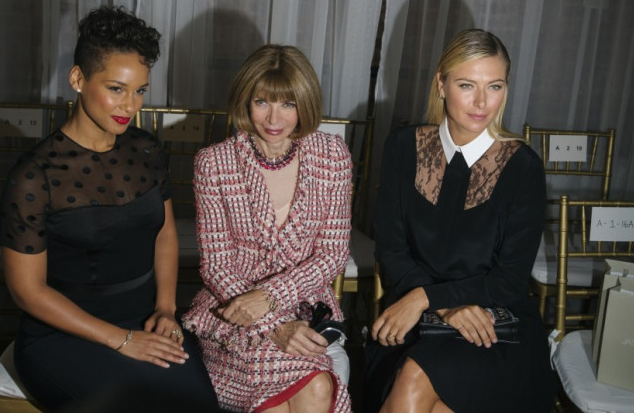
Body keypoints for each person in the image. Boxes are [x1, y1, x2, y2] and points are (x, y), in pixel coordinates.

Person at [0, 5, 218, 411]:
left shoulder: (146, 149)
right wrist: (122, 340)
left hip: (146, 318)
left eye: (139, 90)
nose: (129, 105)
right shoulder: (35, 174)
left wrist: (167, 309)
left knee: (201, 406)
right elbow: (27, 291)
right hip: (63, 336)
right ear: (78, 79)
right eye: (116, 88)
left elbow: (165, 234)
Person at [364, 29, 556, 412]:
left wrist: (425, 298)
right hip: (417, 321)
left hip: (495, 327)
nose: (482, 102)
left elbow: (509, 280)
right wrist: (441, 307)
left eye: (495, 86)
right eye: (467, 85)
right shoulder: (403, 147)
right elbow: (392, 248)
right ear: (441, 84)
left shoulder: (523, 167)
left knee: (416, 378)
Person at [182, 44, 353, 412]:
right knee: (281, 401)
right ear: (245, 101)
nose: (274, 118)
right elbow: (216, 266)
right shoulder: (213, 163)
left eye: (288, 104)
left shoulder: (333, 155)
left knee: (318, 389)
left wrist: (271, 297)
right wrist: (272, 324)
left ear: (304, 105)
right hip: (233, 314)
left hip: (303, 308)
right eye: (262, 102)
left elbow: (333, 254)